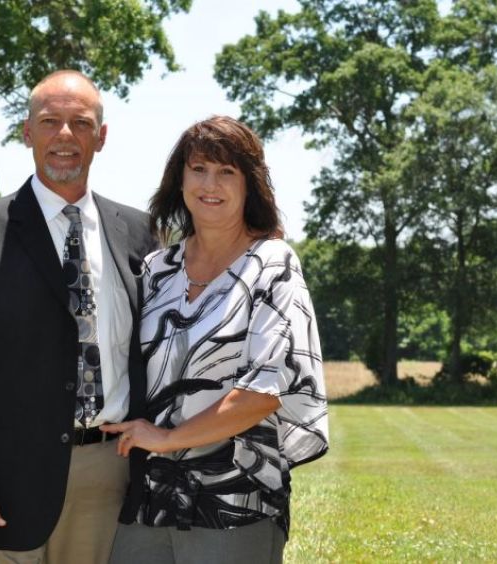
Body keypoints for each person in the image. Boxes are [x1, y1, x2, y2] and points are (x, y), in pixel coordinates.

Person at [0, 70, 157, 563]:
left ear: (102, 136)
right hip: (2, 485)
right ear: (27, 132)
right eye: (50, 121)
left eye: (81, 122)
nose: (65, 136)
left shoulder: (139, 234)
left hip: (108, 475)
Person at [100, 116, 329, 564]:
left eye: (228, 172)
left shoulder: (272, 265)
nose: (211, 184)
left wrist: (168, 438)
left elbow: (261, 395)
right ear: (180, 178)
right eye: (200, 168)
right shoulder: (156, 269)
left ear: (250, 185)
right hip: (148, 497)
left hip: (234, 500)